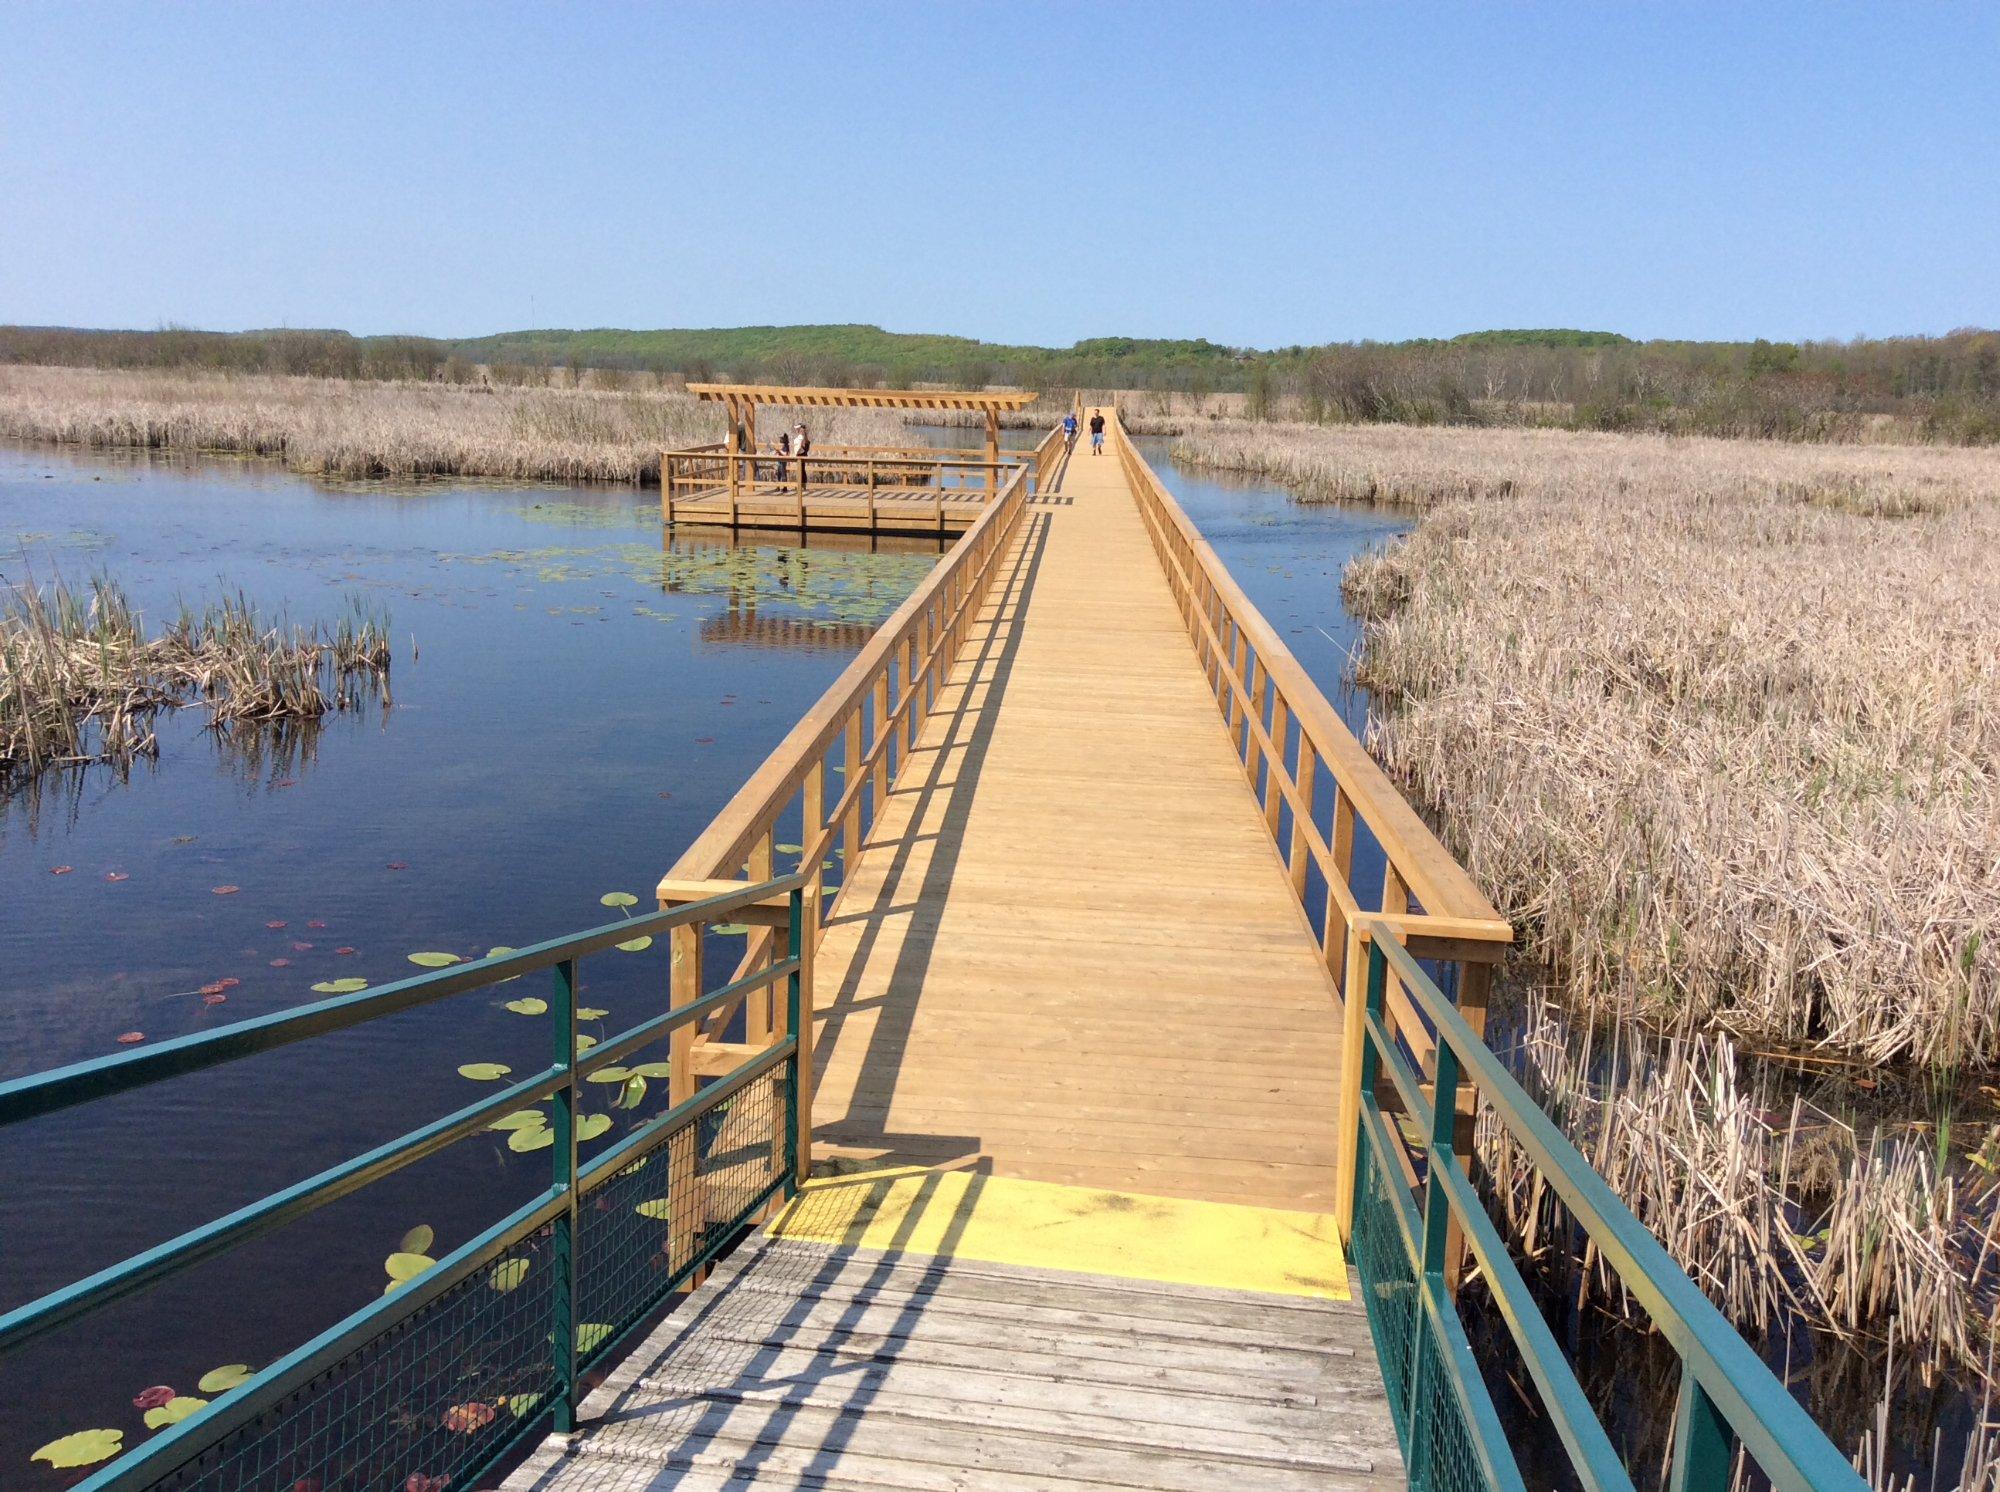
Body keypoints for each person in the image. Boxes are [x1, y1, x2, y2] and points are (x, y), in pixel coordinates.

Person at [793, 422, 812, 489]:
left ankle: (801, 485)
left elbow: (802, 446)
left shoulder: (802, 436)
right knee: (801, 470)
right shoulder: (802, 436)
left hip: (801, 454)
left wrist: (797, 452)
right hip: (801, 453)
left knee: (801, 470)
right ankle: (801, 485)